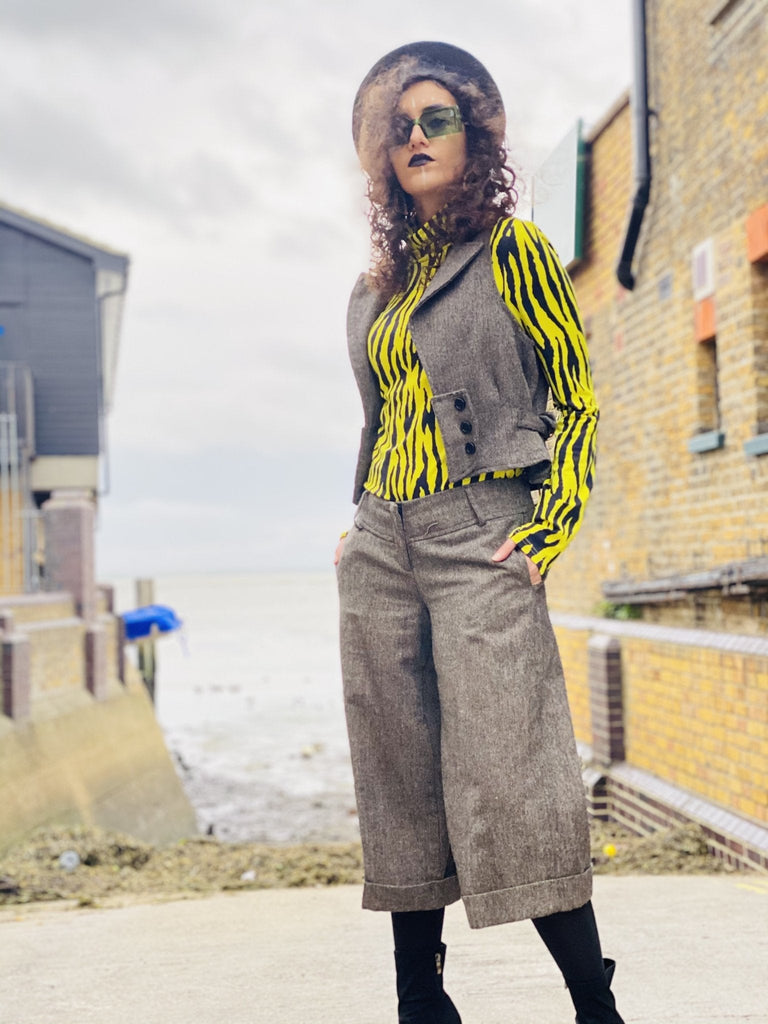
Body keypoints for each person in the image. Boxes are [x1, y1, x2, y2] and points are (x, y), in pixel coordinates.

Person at [334, 41, 625, 1024]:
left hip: (482, 533)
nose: (415, 138)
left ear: (474, 137)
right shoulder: (372, 288)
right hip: (382, 543)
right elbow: (382, 420)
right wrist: (357, 520)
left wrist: (549, 528)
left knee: (514, 770)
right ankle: (422, 1000)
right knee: (397, 769)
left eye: (436, 120)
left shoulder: (515, 251)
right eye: (399, 127)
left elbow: (575, 400)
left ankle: (593, 1003)